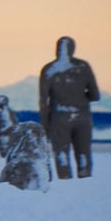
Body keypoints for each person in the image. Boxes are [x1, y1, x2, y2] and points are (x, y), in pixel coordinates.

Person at [39, 36, 100, 178]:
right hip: (82, 116)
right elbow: (95, 95)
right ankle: (85, 181)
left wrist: (45, 125)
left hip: (59, 117)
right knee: (83, 153)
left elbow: (43, 102)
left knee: (61, 153)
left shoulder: (49, 70)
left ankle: (66, 184)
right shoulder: (83, 67)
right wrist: (80, 96)